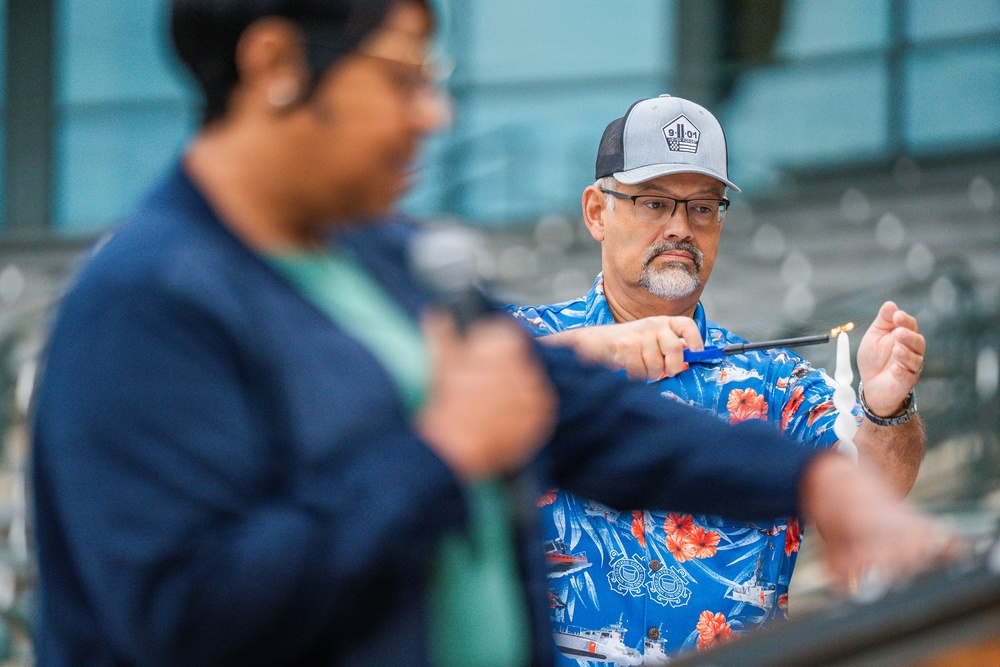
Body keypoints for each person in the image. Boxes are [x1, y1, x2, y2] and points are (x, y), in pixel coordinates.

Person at [31, 5, 947, 666]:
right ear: (275, 63)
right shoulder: (145, 306)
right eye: (402, 79)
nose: (434, 116)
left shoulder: (386, 262)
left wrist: (815, 479)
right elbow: (184, 615)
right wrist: (440, 457)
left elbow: (577, 414)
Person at [508, 94, 928, 661]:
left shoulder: (777, 382)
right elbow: (430, 400)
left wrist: (887, 408)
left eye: (703, 208)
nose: (681, 227)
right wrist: (595, 349)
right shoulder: (520, 341)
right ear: (597, 212)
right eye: (654, 202)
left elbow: (873, 490)